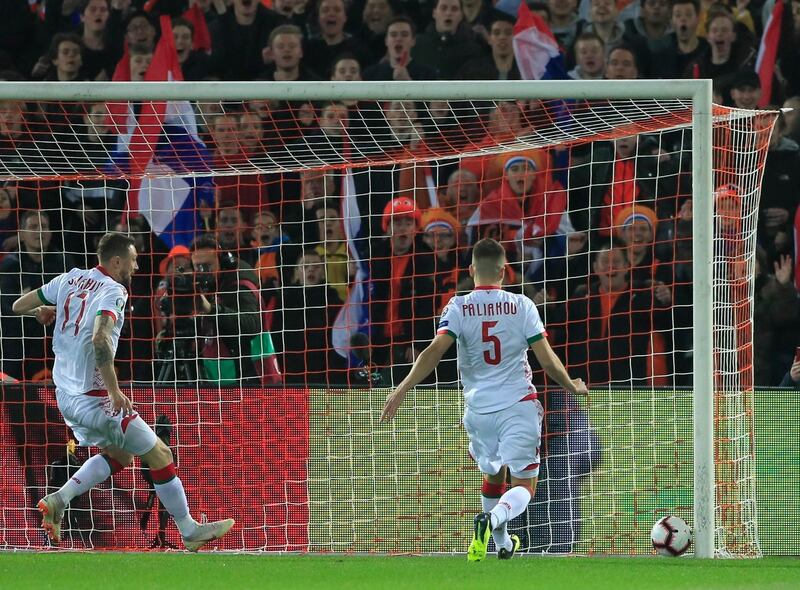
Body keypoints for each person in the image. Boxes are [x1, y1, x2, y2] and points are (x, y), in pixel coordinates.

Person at [11, 232, 234, 551]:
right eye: (133, 259)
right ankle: (189, 530)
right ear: (116, 261)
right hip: (97, 398)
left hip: (66, 397)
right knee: (160, 454)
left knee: (121, 453)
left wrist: (43, 313)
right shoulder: (113, 290)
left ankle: (60, 499)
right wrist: (114, 391)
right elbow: (100, 339)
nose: (137, 265)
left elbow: (20, 304)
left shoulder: (68, 280)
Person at [381, 238, 589, 561]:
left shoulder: (457, 306)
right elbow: (546, 361)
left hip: (478, 412)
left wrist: (402, 388)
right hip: (517, 405)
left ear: (471, 270)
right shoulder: (522, 306)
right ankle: (490, 521)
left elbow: (434, 353)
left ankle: (501, 544)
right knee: (525, 484)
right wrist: (571, 384)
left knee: (493, 475)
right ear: (505, 272)